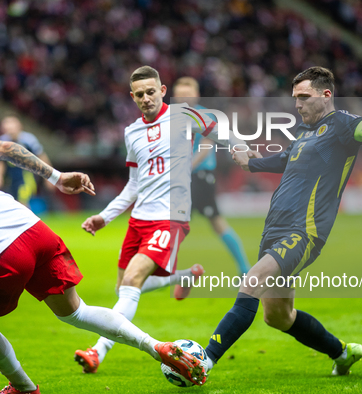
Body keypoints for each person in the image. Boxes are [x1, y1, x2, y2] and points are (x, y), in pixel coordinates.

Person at [0, 119, 208, 393]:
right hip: (36, 232)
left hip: (0, 254)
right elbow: (7, 148)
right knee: (75, 313)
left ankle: (23, 387)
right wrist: (57, 176)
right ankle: (158, 347)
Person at [203, 67, 362, 377]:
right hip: (273, 231)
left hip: (304, 232)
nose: (297, 104)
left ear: (326, 94)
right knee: (277, 316)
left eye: (303, 97)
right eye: (295, 98)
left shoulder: (345, 126)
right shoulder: (303, 135)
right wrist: (250, 163)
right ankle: (342, 353)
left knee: (252, 281)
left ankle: (204, 360)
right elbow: (283, 160)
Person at [75, 66, 239, 374]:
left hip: (171, 216)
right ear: (132, 97)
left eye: (152, 92)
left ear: (163, 91)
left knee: (132, 282)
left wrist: (243, 153)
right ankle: (184, 275)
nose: (146, 98)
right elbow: (133, 184)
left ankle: (97, 351)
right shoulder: (131, 131)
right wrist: (104, 217)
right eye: (140, 94)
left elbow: (218, 132)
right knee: (123, 287)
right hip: (139, 219)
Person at [172, 76, 251, 275]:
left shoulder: (205, 115)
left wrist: (185, 168)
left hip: (199, 177)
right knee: (210, 223)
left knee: (176, 222)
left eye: (187, 94)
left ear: (196, 95)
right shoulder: (172, 117)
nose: (183, 98)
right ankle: (245, 271)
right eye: (180, 94)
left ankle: (165, 272)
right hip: (186, 177)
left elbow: (206, 148)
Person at [0, 115, 53, 206]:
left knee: (22, 201)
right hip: (11, 178)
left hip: (27, 177)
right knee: (14, 202)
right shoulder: (2, 141)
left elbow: (42, 157)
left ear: (19, 126)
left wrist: (49, 177)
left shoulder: (29, 140)